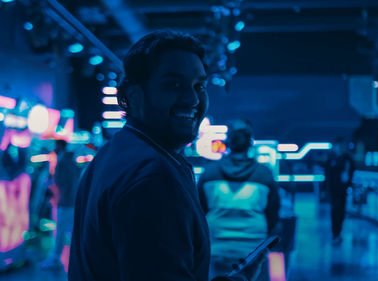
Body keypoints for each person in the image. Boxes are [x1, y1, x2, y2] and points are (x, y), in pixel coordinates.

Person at [69, 30, 263, 281]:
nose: (192, 98)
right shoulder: (153, 177)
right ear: (133, 95)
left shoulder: (116, 153)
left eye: (199, 86)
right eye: (174, 84)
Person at [198, 119, 280, 280]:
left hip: (216, 250)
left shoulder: (209, 173)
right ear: (250, 142)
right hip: (254, 251)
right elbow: (273, 215)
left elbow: (199, 212)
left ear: (228, 141)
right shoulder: (264, 174)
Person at [40, 140, 79, 270]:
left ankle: (55, 258)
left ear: (59, 146)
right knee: (70, 230)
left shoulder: (62, 163)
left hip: (64, 202)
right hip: (71, 201)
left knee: (60, 231)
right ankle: (76, 257)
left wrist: (50, 187)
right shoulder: (72, 162)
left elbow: (61, 184)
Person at [325, 138, 354, 245]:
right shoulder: (332, 159)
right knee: (335, 212)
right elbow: (327, 176)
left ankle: (337, 234)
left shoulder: (347, 159)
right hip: (333, 191)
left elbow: (350, 174)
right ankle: (335, 234)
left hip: (342, 191)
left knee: (340, 213)